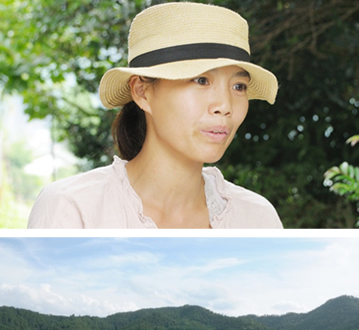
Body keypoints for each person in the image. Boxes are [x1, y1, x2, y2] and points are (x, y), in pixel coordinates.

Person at [28, 2, 283, 229]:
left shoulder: (256, 219)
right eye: (201, 80)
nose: (225, 105)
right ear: (142, 92)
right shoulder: (73, 209)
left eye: (239, 87)